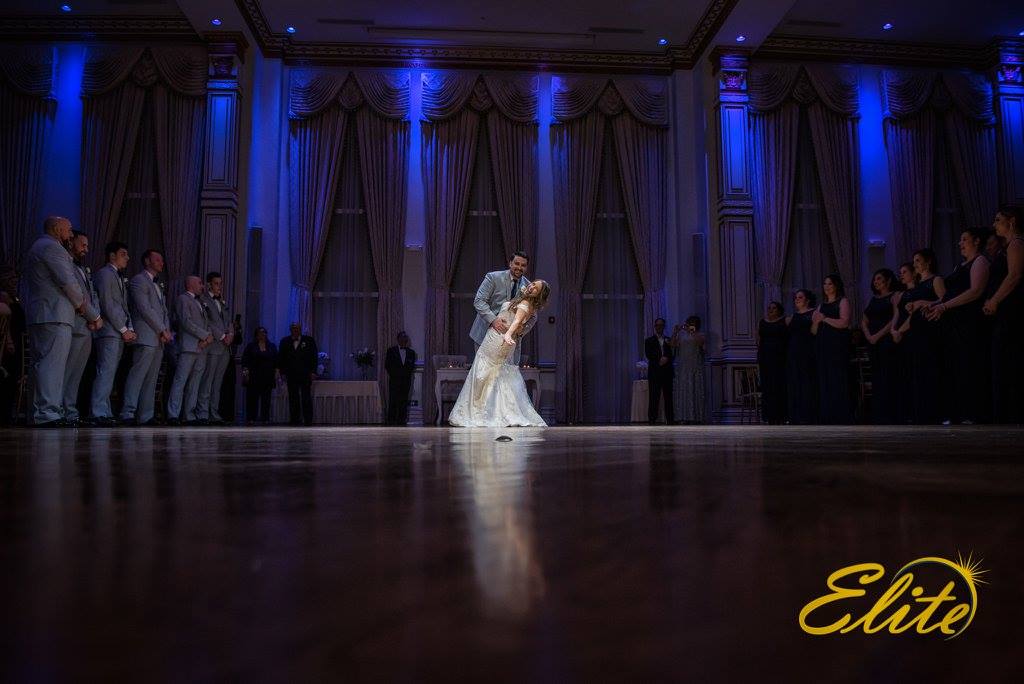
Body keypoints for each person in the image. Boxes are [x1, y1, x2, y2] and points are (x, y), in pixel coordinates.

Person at [24, 217, 101, 427]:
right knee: (52, 366)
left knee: (41, 365)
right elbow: (69, 284)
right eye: (68, 230)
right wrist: (92, 315)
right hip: (54, 314)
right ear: (57, 229)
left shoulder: (38, 246)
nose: (70, 234)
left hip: (43, 314)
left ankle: (37, 413)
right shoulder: (52, 248)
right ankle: (48, 413)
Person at [449, 280, 549, 427]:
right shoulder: (524, 300)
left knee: (489, 372)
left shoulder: (526, 304)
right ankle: (485, 410)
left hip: (499, 339)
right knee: (489, 372)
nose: (531, 286)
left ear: (539, 295)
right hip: (493, 337)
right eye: (533, 284)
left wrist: (508, 334)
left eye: (536, 288)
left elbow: (517, 322)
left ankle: (486, 412)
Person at [927, 227, 990, 424]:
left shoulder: (980, 261)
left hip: (969, 323)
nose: (960, 243)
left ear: (976, 241)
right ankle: (957, 412)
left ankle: (972, 412)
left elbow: (975, 291)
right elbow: (949, 295)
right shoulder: (959, 266)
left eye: (964, 239)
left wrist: (944, 306)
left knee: (968, 366)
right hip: (954, 324)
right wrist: (933, 304)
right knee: (955, 368)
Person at [121, 249, 171, 426]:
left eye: (162, 260)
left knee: (152, 378)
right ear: (147, 261)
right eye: (157, 259)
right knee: (138, 375)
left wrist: (166, 330)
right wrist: (162, 329)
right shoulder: (138, 280)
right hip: (146, 335)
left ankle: (146, 415)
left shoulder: (158, 285)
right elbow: (145, 309)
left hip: (159, 338)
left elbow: (164, 311)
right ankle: (128, 412)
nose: (161, 263)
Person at [983, 205, 1024, 424]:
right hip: (1005, 311)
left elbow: (1014, 275)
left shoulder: (1016, 243)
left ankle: (1012, 414)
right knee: (1004, 361)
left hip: (1011, 311)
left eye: (998, 219)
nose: (995, 224)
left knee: (1010, 360)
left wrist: (994, 300)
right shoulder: (1007, 246)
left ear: (1012, 221)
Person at [91, 241, 136, 426]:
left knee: (110, 374)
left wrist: (130, 328)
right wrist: (123, 329)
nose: (127, 258)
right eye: (123, 254)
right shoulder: (104, 274)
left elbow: (124, 307)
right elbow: (107, 304)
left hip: (117, 332)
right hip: (109, 331)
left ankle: (105, 410)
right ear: (112, 256)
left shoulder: (117, 276)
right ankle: (98, 411)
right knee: (105, 372)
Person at [903, 249, 945, 424]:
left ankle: (936, 413)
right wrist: (911, 307)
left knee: (931, 369)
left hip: (931, 329)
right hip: (917, 330)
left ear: (928, 262)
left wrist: (922, 303)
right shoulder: (918, 284)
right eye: (914, 261)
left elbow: (944, 300)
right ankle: (921, 413)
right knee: (918, 371)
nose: (915, 264)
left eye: (918, 261)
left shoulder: (936, 280)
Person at [62, 231, 99, 426]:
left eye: (87, 245)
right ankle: (61, 410)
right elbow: (75, 294)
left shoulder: (84, 269)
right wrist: (93, 317)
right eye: (82, 244)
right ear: (71, 243)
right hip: (76, 323)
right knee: (67, 371)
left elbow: (92, 295)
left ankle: (70, 411)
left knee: (77, 374)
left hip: (88, 327)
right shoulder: (66, 265)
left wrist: (96, 317)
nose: (86, 249)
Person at [470, 251, 531, 366]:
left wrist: (521, 331)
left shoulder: (529, 287)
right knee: (484, 373)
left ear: (526, 267)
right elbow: (479, 301)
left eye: (523, 265)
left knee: (506, 373)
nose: (519, 267)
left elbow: (533, 316)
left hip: (510, 339)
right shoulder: (493, 277)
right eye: (516, 263)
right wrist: (493, 320)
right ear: (510, 263)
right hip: (485, 333)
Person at [166, 276, 212, 425]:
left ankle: (189, 414)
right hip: (189, 346)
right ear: (190, 284)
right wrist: (204, 335)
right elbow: (186, 321)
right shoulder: (183, 299)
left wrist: (207, 338)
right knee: (180, 380)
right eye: (200, 283)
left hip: (202, 347)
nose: (202, 286)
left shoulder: (200, 302)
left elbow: (206, 322)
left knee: (194, 383)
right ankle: (173, 414)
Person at [812, 274, 852, 424]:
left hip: (837, 346)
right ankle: (827, 416)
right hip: (823, 346)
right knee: (825, 380)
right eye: (825, 284)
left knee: (838, 379)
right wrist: (816, 322)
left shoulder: (843, 301)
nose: (826, 287)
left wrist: (824, 319)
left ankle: (841, 416)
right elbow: (814, 331)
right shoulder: (821, 306)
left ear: (836, 285)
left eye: (829, 284)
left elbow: (844, 322)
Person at [861, 269, 900, 424]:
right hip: (873, 342)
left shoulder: (894, 296)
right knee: (877, 377)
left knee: (888, 376)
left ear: (888, 280)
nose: (875, 282)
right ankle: (879, 414)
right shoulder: (873, 299)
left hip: (886, 341)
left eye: (879, 278)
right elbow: (864, 320)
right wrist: (869, 335)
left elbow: (895, 318)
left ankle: (892, 414)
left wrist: (878, 335)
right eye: (874, 279)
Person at [197, 271, 234, 425]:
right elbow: (209, 322)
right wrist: (223, 336)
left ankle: (214, 412)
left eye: (220, 283)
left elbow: (229, 321)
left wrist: (231, 334)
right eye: (216, 284)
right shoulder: (203, 300)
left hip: (225, 348)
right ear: (209, 285)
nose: (219, 287)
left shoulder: (223, 302)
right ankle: (203, 413)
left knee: (217, 382)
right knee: (208, 380)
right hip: (213, 346)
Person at [889, 262, 918, 424]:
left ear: (914, 273)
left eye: (905, 271)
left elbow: (913, 315)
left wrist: (900, 331)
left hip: (911, 333)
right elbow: (896, 314)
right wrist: (893, 330)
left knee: (913, 370)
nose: (901, 274)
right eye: (900, 272)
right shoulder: (901, 294)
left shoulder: (918, 291)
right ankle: (905, 412)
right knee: (902, 372)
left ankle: (915, 411)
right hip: (898, 334)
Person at [786, 289, 817, 424]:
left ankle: (808, 416)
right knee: (795, 383)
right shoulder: (792, 316)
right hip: (793, 353)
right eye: (796, 298)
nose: (797, 299)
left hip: (808, 352)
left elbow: (815, 332)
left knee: (807, 383)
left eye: (800, 297)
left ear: (807, 300)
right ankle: (796, 417)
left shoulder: (814, 312)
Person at [277, 322, 317, 426]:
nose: (295, 330)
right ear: (290, 330)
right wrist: (282, 372)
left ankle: (308, 420)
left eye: (297, 328)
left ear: (300, 329)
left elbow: (314, 357)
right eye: (293, 328)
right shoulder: (285, 341)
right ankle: (295, 419)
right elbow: (281, 358)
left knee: (306, 397)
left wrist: (313, 371)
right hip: (291, 374)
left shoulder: (309, 340)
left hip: (305, 373)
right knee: (293, 397)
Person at [0, 265, 26, 425]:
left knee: (14, 378)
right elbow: (6, 322)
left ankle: (8, 414)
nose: (13, 282)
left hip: (17, 341)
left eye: (15, 279)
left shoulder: (18, 297)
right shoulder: (3, 297)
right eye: (9, 279)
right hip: (8, 343)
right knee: (7, 377)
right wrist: (8, 340)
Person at [757, 301, 788, 424]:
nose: (770, 310)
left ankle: (781, 416)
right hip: (765, 358)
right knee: (767, 387)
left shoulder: (784, 321)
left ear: (779, 310)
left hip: (780, 358)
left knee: (779, 386)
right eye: (769, 308)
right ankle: (769, 416)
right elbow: (759, 340)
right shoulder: (762, 322)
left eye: (774, 308)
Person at [672, 315, 706, 424]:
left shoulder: (700, 335)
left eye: (692, 324)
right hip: (683, 366)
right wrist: (675, 332)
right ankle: (683, 416)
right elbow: (673, 344)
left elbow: (700, 343)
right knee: (683, 390)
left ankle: (696, 416)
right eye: (689, 323)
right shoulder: (681, 335)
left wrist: (691, 332)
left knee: (694, 389)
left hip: (694, 366)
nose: (690, 325)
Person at [241, 326, 277, 424]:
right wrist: (246, 374)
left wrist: (276, 374)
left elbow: (276, 361)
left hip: (267, 377)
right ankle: (251, 418)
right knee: (252, 399)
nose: (263, 334)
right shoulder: (250, 346)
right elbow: (245, 361)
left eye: (264, 332)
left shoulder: (272, 346)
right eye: (261, 333)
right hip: (254, 377)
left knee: (266, 399)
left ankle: (265, 418)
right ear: (256, 335)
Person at [644, 318, 675, 424]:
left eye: (661, 325)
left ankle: (670, 420)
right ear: (655, 326)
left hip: (667, 372)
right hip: (654, 372)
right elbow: (649, 354)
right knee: (654, 396)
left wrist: (667, 358)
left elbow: (673, 353)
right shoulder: (649, 340)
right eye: (657, 325)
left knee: (668, 397)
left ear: (664, 326)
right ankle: (652, 419)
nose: (659, 327)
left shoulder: (668, 339)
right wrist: (659, 359)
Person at [385, 331, 417, 425]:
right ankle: (391, 421)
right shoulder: (391, 351)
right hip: (394, 380)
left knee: (404, 401)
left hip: (406, 381)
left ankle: (402, 420)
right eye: (402, 337)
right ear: (398, 339)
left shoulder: (411, 352)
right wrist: (395, 375)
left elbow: (411, 367)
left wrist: (405, 375)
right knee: (393, 400)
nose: (404, 339)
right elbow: (387, 365)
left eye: (405, 337)